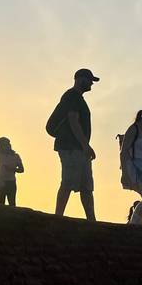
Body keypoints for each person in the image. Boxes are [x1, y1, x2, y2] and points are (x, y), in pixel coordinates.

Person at [46, 69, 99, 220]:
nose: (91, 84)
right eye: (89, 80)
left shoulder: (77, 98)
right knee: (68, 181)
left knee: (86, 186)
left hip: (78, 148)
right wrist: (85, 145)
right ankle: (58, 217)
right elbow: (73, 120)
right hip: (70, 147)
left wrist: (85, 147)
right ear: (80, 79)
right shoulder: (72, 96)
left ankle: (91, 219)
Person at [0, 137, 24, 206]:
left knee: (12, 204)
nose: (8, 145)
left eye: (8, 144)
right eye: (5, 144)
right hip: (1, 181)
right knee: (0, 204)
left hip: (11, 182)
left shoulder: (16, 156)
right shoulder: (0, 154)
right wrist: (1, 139)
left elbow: (22, 169)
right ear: (2, 146)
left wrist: (12, 169)